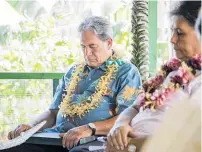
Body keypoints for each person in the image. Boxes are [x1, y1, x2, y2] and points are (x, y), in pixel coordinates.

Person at [1, 16, 142, 152]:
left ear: (109, 43)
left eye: (93, 46)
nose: (87, 53)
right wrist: (31, 126)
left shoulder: (126, 72)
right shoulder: (73, 71)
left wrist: (89, 128)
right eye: (83, 47)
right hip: (56, 138)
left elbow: (127, 117)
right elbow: (53, 112)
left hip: (95, 139)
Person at [105, 1, 201, 152]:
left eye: (180, 33)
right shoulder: (171, 71)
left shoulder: (198, 81)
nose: (172, 39)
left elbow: (189, 142)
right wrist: (119, 126)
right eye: (173, 32)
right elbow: (136, 106)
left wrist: (130, 146)